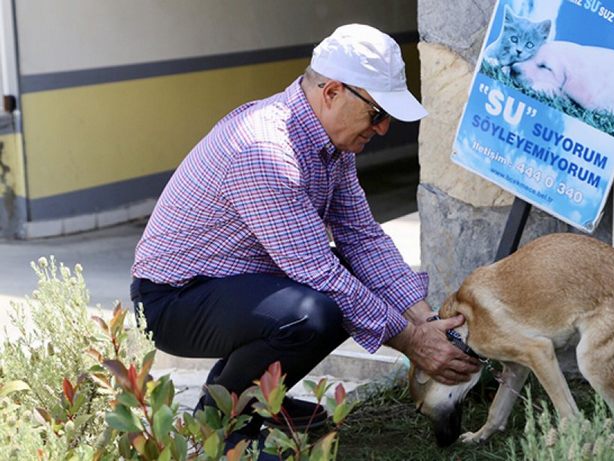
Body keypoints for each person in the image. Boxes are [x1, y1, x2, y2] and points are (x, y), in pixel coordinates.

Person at [130, 23, 480, 445]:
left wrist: (427, 322)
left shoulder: (330, 142)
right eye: (377, 114)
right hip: (173, 299)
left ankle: (252, 398)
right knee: (313, 313)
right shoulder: (265, 150)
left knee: (348, 287)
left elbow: (363, 238)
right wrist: (414, 344)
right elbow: (320, 275)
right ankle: (224, 429)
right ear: (332, 92)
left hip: (231, 283)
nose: (384, 128)